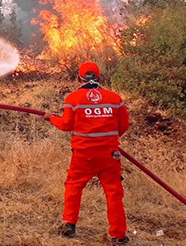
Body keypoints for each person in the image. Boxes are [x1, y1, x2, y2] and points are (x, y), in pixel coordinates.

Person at [43, 61, 130, 245]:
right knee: (114, 194)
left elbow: (66, 125)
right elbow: (123, 125)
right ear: (100, 77)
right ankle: (119, 236)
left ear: (78, 78)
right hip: (109, 155)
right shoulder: (115, 99)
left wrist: (51, 118)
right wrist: (109, 141)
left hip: (83, 155)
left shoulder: (73, 99)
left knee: (74, 187)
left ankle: (69, 225)